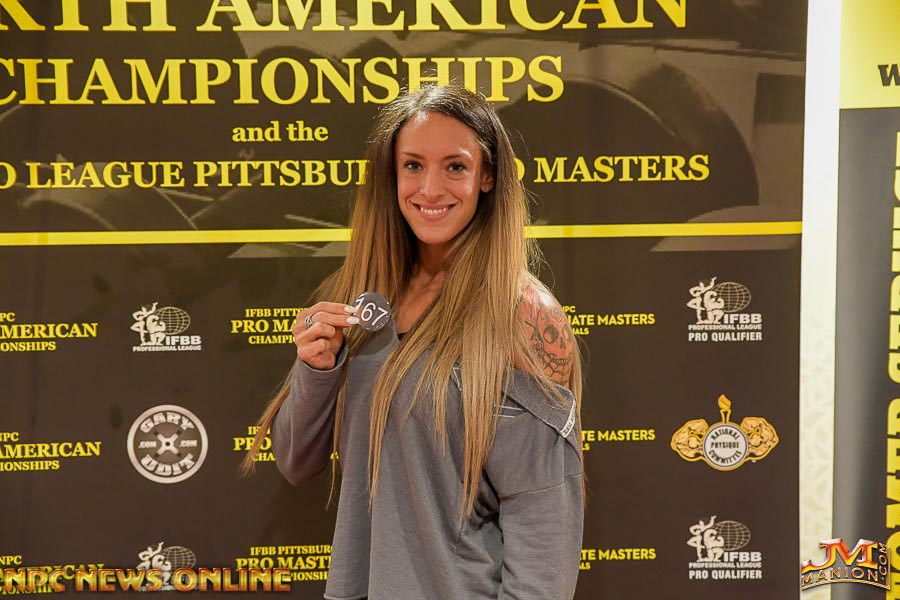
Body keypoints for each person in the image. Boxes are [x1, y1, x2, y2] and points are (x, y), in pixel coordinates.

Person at [246, 83, 584, 599]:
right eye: (413, 165)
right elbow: (295, 460)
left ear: (488, 176)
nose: (430, 188)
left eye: (455, 166)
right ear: (392, 174)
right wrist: (316, 369)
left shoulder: (523, 314)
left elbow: (542, 519)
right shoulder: (358, 297)